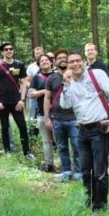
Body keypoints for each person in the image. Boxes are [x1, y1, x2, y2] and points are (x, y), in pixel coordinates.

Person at [60, 51, 109, 211]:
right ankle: (89, 200)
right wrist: (65, 84)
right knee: (85, 171)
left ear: (84, 62)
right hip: (82, 131)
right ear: (68, 66)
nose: (75, 64)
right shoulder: (69, 83)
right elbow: (65, 105)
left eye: (78, 60)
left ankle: (100, 207)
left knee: (99, 171)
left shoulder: (97, 75)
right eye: (71, 62)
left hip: (100, 129)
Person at [0, 42, 35, 161]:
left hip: (17, 102)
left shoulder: (19, 64)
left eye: (10, 49)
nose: (9, 51)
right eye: (6, 49)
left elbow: (24, 83)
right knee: (4, 127)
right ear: (2, 52)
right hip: (2, 102)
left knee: (22, 126)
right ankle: (7, 151)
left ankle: (27, 152)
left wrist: (22, 100)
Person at [44, 49, 81, 181]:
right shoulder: (51, 78)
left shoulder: (77, 76)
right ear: (55, 61)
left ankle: (78, 172)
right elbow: (47, 98)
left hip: (74, 118)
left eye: (65, 57)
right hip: (57, 118)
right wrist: (47, 117)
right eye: (59, 58)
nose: (62, 60)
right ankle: (66, 171)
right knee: (62, 146)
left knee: (77, 146)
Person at [29, 54, 55, 171]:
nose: (44, 62)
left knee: (60, 141)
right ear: (39, 64)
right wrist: (47, 90)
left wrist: (41, 92)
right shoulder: (36, 78)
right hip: (42, 114)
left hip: (58, 113)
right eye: (42, 61)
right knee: (46, 141)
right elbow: (32, 94)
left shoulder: (57, 75)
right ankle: (49, 164)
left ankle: (67, 165)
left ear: (51, 62)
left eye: (46, 60)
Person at [26, 46, 44, 120]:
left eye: (40, 53)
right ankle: (32, 131)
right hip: (34, 96)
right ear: (34, 55)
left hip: (45, 95)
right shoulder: (31, 67)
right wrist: (33, 88)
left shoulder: (48, 64)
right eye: (36, 53)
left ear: (43, 53)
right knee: (33, 117)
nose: (38, 55)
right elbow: (26, 81)